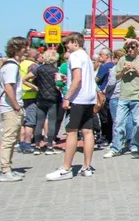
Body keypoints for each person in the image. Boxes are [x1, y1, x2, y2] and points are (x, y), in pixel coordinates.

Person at [46, 33, 98, 181]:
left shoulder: (75, 56)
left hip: (78, 98)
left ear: (75, 42)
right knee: (88, 132)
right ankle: (87, 167)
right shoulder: (86, 57)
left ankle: (66, 168)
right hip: (89, 98)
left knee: (71, 131)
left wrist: (67, 97)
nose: (66, 46)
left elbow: (77, 79)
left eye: (67, 43)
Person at [109, 40, 139, 158]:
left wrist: (135, 69)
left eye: (132, 47)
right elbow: (116, 76)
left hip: (137, 96)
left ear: (137, 48)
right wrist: (124, 70)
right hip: (123, 96)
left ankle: (134, 144)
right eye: (128, 48)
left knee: (137, 123)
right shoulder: (122, 60)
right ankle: (116, 147)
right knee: (119, 122)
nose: (130, 50)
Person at [0, 38, 27, 182]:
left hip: (10, 106)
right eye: (24, 47)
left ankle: (8, 167)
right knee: (9, 139)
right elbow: (9, 87)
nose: (26, 50)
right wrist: (16, 106)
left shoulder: (10, 65)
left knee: (13, 138)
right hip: (10, 107)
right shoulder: (12, 66)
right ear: (17, 49)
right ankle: (5, 170)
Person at [31, 50, 61, 154]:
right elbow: (59, 85)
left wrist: (35, 87)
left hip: (40, 97)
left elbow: (25, 79)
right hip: (53, 98)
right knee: (52, 122)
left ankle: (37, 146)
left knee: (39, 122)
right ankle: (49, 146)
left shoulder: (38, 69)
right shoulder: (56, 70)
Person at [18, 48, 38, 153]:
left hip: (21, 94)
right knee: (30, 122)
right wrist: (35, 87)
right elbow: (31, 79)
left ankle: (20, 142)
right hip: (31, 94)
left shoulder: (21, 64)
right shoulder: (33, 65)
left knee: (22, 121)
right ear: (34, 55)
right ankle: (27, 144)